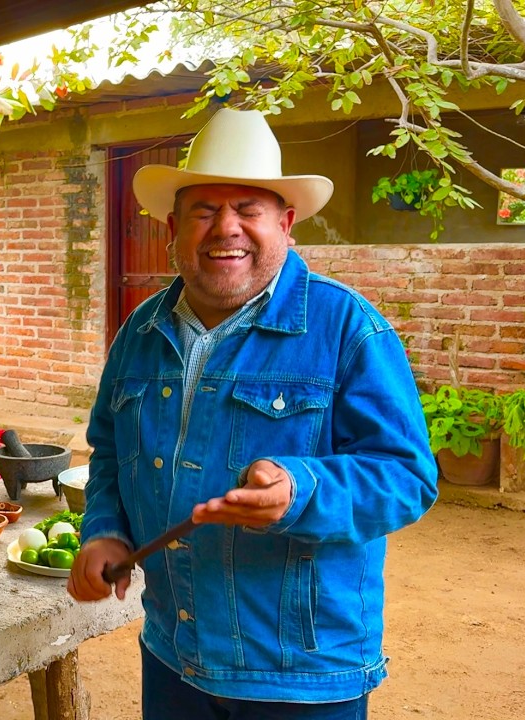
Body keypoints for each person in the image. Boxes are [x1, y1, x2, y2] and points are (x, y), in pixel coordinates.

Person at [67, 108, 438, 719]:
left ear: (285, 225)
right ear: (173, 228)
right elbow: (110, 449)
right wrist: (106, 529)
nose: (226, 229)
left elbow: (407, 477)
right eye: (204, 211)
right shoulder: (141, 331)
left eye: (248, 209)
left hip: (302, 675)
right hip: (174, 654)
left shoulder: (347, 328)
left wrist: (300, 490)